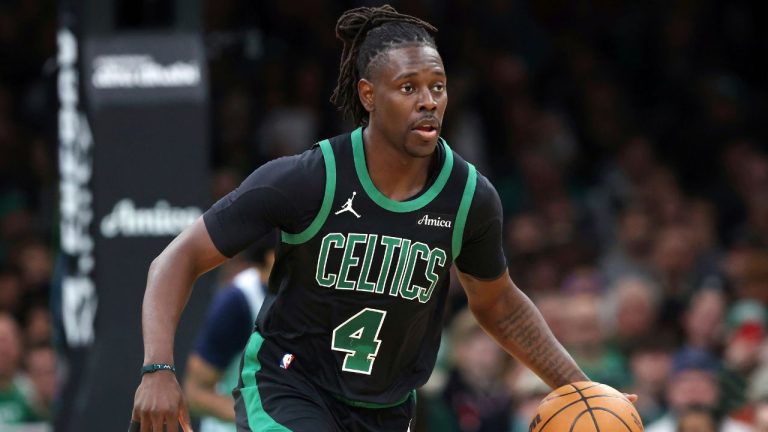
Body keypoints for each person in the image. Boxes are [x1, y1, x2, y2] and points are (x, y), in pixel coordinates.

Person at [131, 5, 594, 431]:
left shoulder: (469, 197)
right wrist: (157, 368)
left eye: (438, 86)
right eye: (409, 87)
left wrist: (583, 390)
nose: (429, 101)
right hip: (288, 386)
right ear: (369, 95)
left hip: (385, 409)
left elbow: (498, 304)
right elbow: (177, 259)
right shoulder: (308, 179)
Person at [183, 241, 275, 432]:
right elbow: (195, 393)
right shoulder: (236, 302)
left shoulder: (310, 298)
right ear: (271, 256)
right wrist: (266, 421)